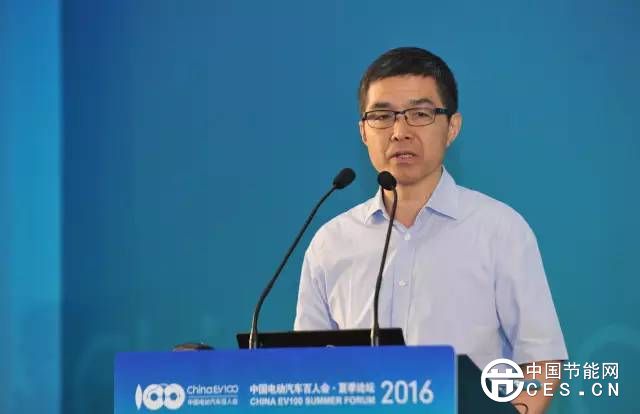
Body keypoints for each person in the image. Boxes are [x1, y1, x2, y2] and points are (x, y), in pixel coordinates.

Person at [294, 47, 568, 413]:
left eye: (420, 114)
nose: (399, 132)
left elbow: (541, 360)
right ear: (363, 131)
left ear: (452, 127)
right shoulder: (331, 243)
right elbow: (304, 368)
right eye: (382, 116)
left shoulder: (500, 230)